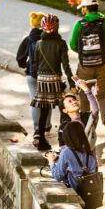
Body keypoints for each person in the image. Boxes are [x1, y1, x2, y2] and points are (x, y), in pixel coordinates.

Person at [68, 0, 105, 138]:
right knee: (102, 94)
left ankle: (88, 126)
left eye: (82, 7)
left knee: (84, 94)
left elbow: (72, 45)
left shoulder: (79, 25)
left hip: (85, 67)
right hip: (103, 64)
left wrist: (85, 53)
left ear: (85, 8)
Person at [31, 13, 76, 151]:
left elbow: (35, 64)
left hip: (42, 80)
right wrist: (71, 83)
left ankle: (39, 136)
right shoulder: (61, 44)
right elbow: (66, 65)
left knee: (44, 110)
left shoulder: (38, 44)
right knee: (64, 109)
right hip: (55, 80)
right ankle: (65, 140)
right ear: (57, 27)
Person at [46, 121, 100, 209]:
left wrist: (51, 162)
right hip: (91, 197)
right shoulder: (90, 150)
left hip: (76, 196)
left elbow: (58, 176)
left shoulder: (66, 152)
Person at [17, 12, 46, 146]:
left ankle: (36, 129)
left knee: (35, 100)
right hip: (46, 74)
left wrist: (26, 66)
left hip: (31, 74)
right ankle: (47, 125)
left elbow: (20, 58)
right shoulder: (48, 37)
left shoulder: (28, 39)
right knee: (47, 100)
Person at [58, 77, 100, 150]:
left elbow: (95, 110)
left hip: (90, 157)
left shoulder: (87, 117)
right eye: (70, 102)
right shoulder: (63, 127)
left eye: (74, 100)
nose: (74, 102)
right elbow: (62, 147)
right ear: (64, 110)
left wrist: (86, 90)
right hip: (74, 158)